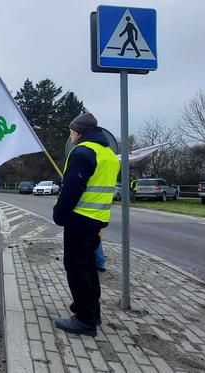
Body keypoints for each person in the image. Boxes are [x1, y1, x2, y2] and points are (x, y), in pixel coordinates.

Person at [53, 113, 119, 337]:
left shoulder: (81, 152)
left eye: (71, 131)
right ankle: (93, 310)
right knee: (89, 266)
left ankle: (84, 320)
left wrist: (59, 215)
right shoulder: (108, 154)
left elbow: (71, 190)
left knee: (76, 268)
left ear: (79, 132)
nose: (70, 135)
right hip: (96, 220)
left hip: (78, 220)